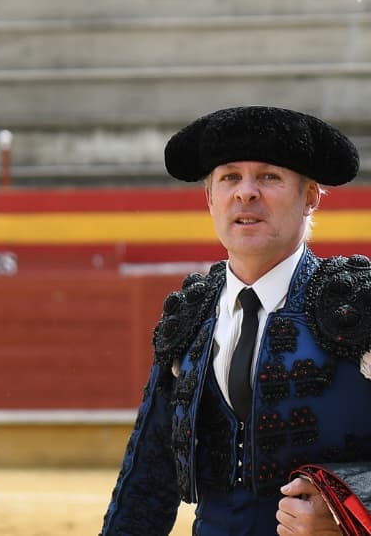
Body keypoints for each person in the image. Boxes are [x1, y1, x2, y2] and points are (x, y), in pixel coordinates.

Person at [101, 106, 371, 536]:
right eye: (229, 177)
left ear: (310, 197)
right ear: (210, 198)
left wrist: (351, 506)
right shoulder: (190, 315)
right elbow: (146, 485)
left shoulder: (360, 306)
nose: (246, 193)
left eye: (269, 176)